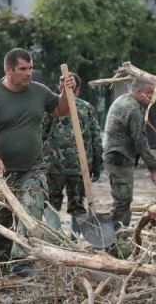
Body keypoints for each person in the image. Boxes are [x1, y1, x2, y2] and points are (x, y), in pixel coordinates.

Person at [0, 48, 75, 276]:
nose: (29, 73)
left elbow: (61, 109)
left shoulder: (39, 92)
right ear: (9, 70)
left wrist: (67, 91)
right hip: (0, 172)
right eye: (23, 69)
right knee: (0, 225)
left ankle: (21, 261)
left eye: (31, 68)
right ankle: (1, 264)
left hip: (33, 168)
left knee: (31, 208)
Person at [41, 73, 102, 235]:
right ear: (78, 89)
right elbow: (96, 138)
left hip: (53, 165)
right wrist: (97, 165)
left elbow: (41, 135)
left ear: (59, 88)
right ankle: (74, 240)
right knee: (78, 205)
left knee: (51, 203)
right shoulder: (87, 108)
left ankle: (58, 236)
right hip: (80, 166)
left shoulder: (50, 109)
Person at [103, 79, 156, 229]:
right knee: (123, 201)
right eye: (149, 93)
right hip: (119, 158)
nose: (151, 97)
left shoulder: (123, 100)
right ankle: (115, 239)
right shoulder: (134, 109)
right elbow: (141, 141)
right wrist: (153, 169)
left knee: (122, 199)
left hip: (115, 156)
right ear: (138, 92)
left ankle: (117, 235)